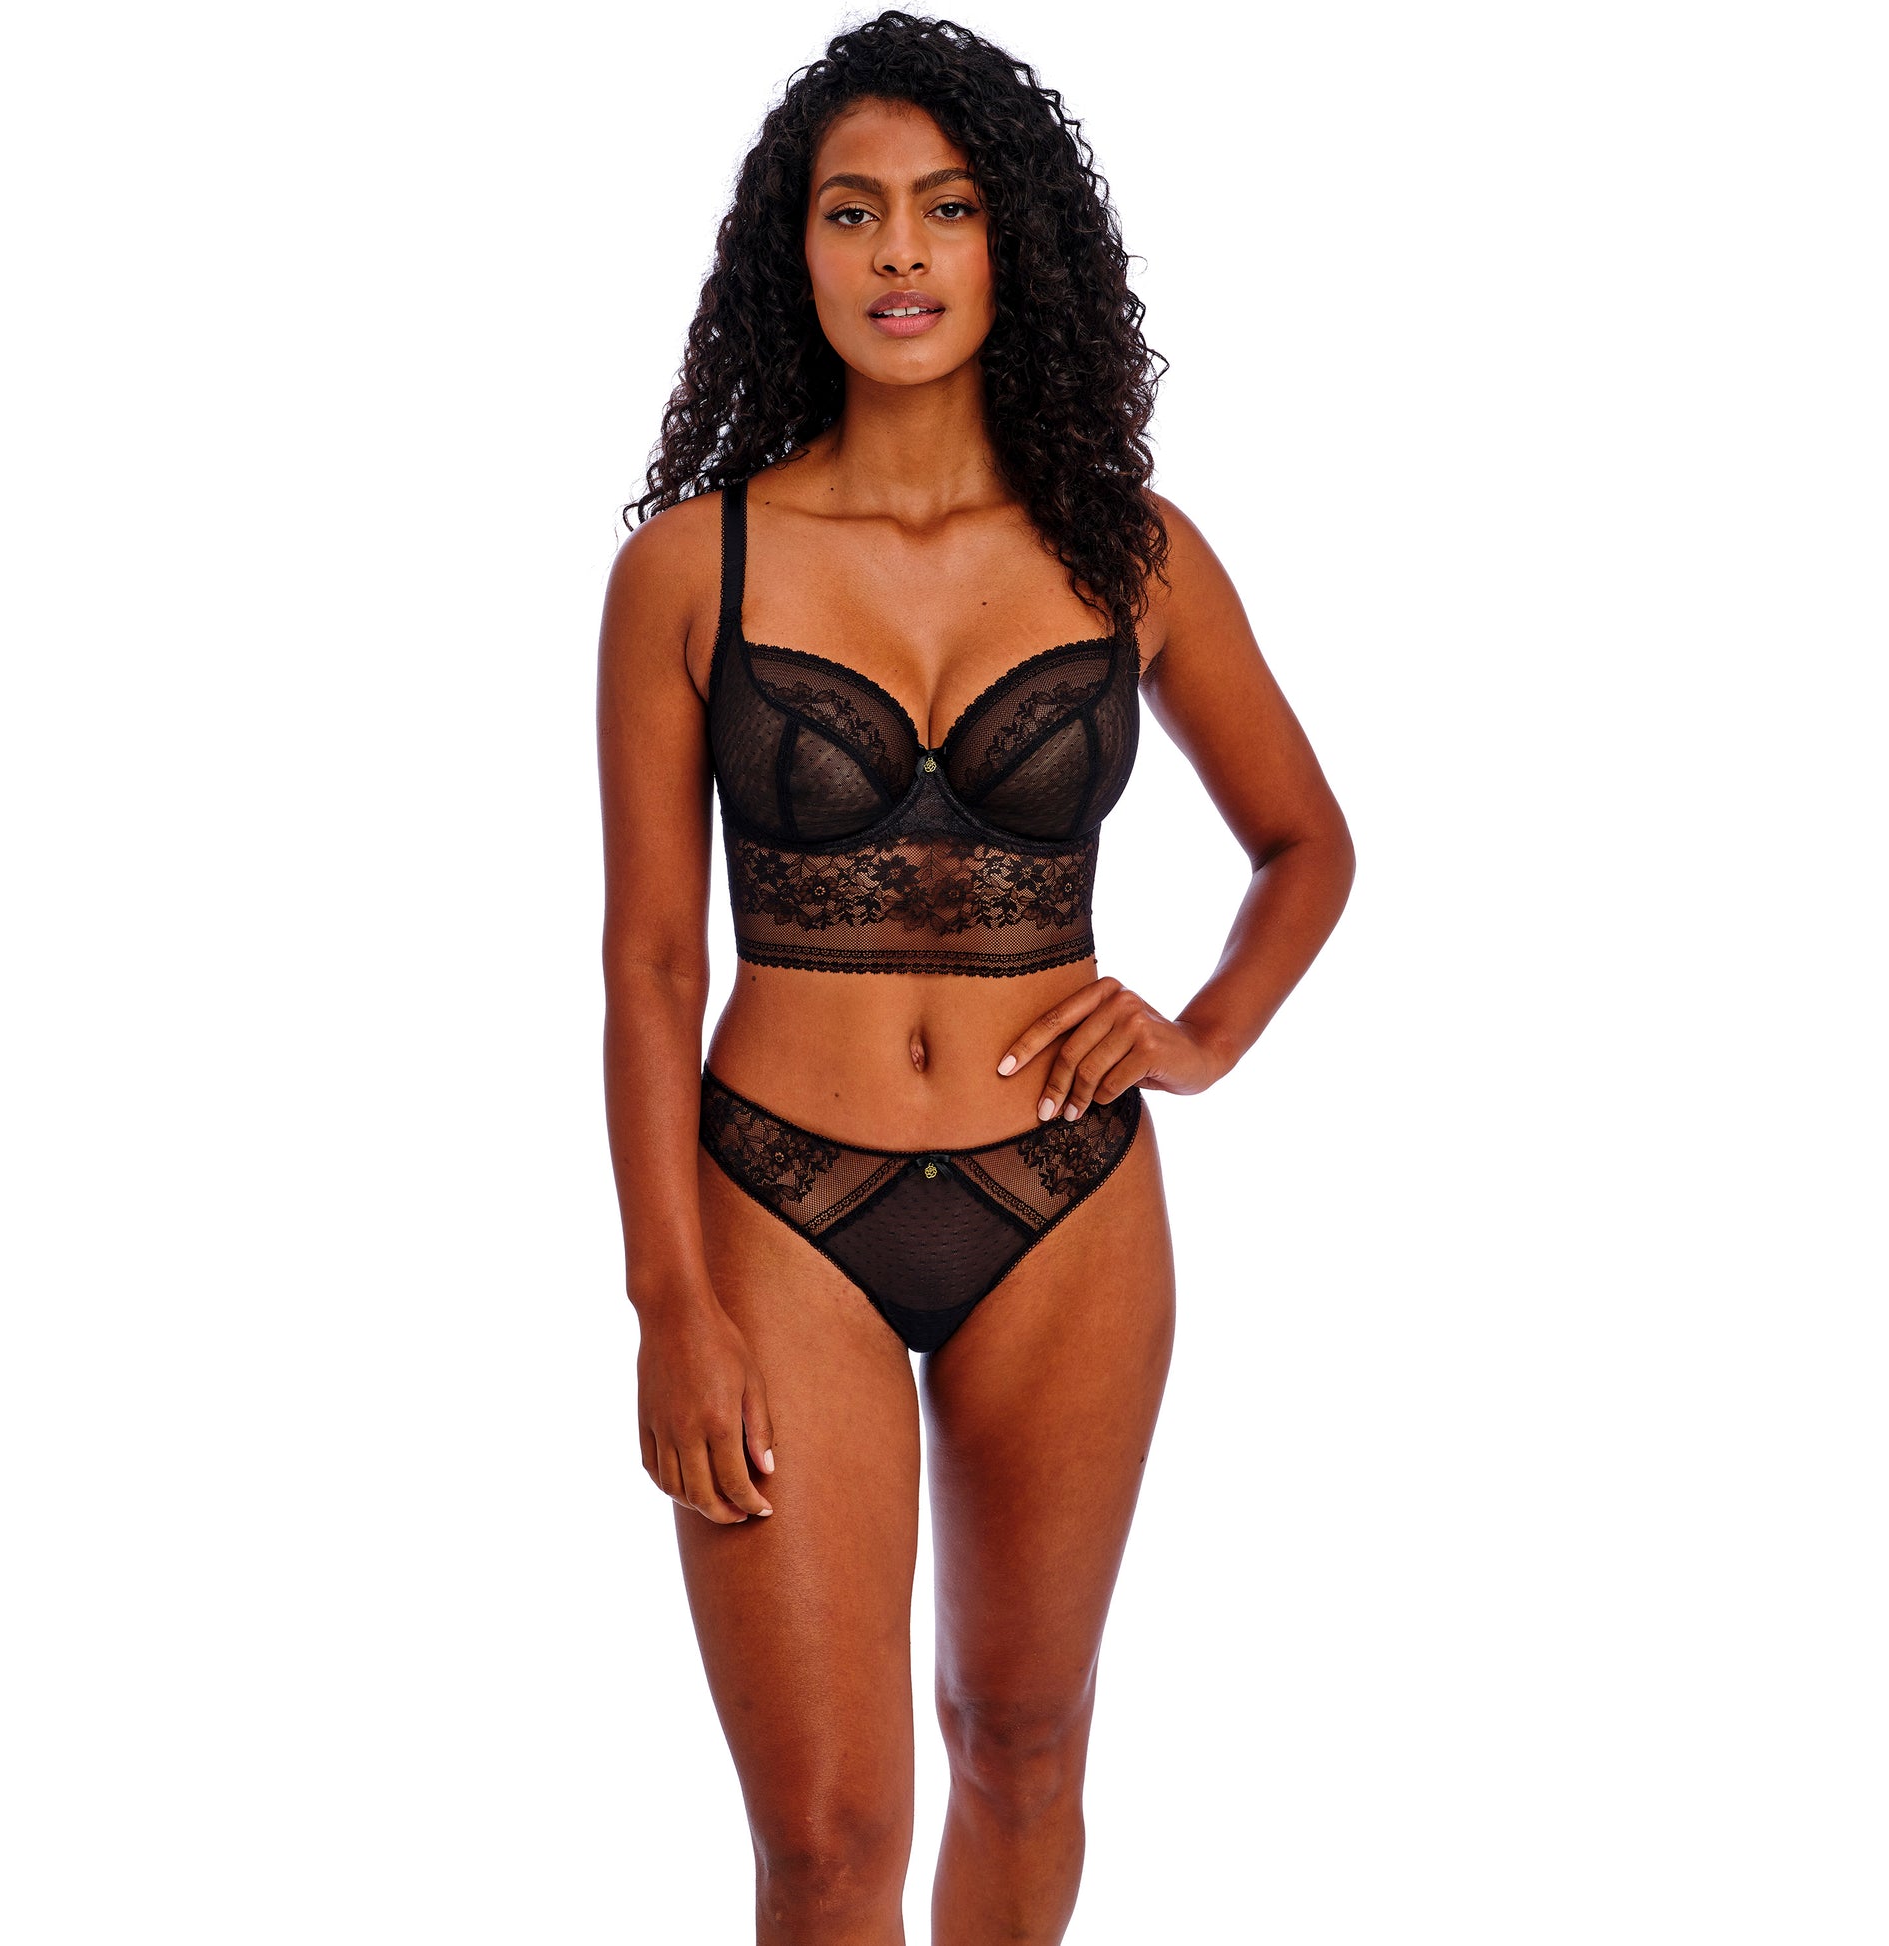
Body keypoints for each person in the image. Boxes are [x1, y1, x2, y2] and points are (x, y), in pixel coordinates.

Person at [597, 13, 1353, 1941]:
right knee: (824, 1838)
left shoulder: (1129, 555)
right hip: (779, 1201)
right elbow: (649, 958)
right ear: (792, 251)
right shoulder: (691, 567)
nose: (900, 254)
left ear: (1014, 241)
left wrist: (1199, 1033)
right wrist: (667, 1301)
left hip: (1066, 1202)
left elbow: (1305, 843)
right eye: (851, 212)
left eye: (945, 208)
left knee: (1020, 1741)